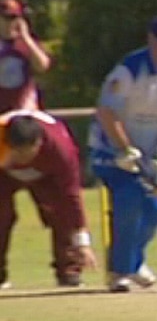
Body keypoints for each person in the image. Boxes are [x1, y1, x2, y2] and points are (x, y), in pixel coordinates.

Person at [88, 14, 157, 293]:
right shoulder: (129, 69)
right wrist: (124, 149)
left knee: (155, 210)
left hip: (148, 154)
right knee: (129, 199)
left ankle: (133, 261)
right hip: (110, 149)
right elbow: (106, 111)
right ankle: (119, 272)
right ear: (151, 41)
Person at [0, 110, 98, 289]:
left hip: (48, 176)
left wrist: (82, 243)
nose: (22, 159)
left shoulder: (61, 150)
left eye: (26, 152)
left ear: (39, 142)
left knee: (61, 215)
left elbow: (71, 197)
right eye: (17, 152)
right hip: (4, 174)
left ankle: (69, 271)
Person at [0, 0, 51, 113]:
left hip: (24, 110)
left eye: (13, 18)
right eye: (5, 18)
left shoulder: (27, 43)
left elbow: (43, 66)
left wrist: (26, 38)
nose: (9, 23)